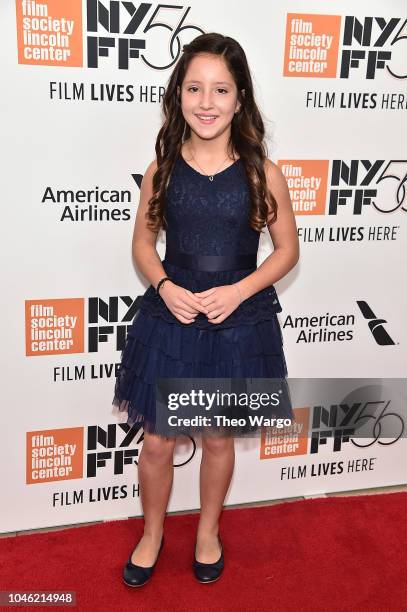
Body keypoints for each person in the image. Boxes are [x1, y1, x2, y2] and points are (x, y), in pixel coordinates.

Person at [112, 32, 299, 586]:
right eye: (194, 88)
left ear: (240, 98)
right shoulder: (162, 170)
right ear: (179, 95)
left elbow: (288, 250)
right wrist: (165, 284)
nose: (207, 102)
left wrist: (239, 291)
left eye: (220, 89)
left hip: (235, 321)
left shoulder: (262, 171)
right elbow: (143, 245)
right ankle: (152, 532)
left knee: (218, 435)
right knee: (158, 439)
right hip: (172, 317)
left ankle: (208, 530)